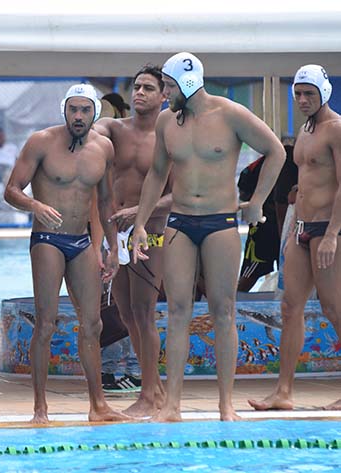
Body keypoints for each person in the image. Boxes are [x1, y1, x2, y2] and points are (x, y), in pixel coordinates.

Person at [131, 52, 284, 422]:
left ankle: (225, 405)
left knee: (223, 311)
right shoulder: (168, 121)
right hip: (180, 223)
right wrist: (140, 222)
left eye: (167, 85)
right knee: (178, 311)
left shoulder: (230, 114)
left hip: (220, 223)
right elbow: (156, 173)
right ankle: (172, 406)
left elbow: (275, 152)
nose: (164, 94)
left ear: (186, 82)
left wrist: (258, 202)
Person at [4, 83, 128, 424]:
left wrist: (114, 247)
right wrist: (34, 204)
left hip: (81, 241)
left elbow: (105, 202)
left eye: (85, 110)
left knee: (93, 323)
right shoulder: (41, 141)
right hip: (47, 239)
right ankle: (40, 409)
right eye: (73, 109)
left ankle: (98, 405)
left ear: (94, 114)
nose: (78, 116)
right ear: (64, 110)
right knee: (45, 324)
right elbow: (11, 190)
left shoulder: (104, 148)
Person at [249, 64, 341, 412]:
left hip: (329, 230)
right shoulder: (305, 129)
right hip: (301, 229)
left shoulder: (336, 129)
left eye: (309, 94)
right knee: (290, 308)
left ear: (324, 94)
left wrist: (332, 233)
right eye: (298, 94)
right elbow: (313, 178)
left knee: (334, 308)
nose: (302, 100)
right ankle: (283, 392)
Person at [92, 65, 170, 417]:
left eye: (148, 88)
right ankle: (155, 389)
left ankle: (149, 394)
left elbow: (179, 195)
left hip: (150, 232)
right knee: (125, 314)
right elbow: (91, 127)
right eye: (137, 87)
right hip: (117, 235)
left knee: (144, 312)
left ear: (164, 95)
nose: (139, 92)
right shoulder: (113, 129)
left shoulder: (169, 137)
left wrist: (140, 211)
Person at [237, 155, 281, 291]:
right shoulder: (257, 166)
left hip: (277, 226)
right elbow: (243, 194)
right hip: (265, 227)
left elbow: (243, 194)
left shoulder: (257, 165)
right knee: (248, 279)